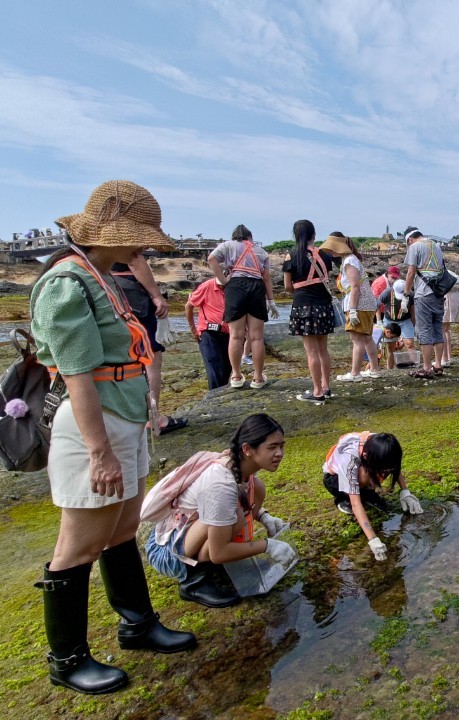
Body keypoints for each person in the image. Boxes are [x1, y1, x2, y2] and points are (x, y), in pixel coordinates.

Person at [30, 180, 196, 695]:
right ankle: (68, 658)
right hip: (92, 427)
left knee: (123, 526)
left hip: (123, 417)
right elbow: (77, 374)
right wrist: (99, 451)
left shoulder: (99, 275)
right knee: (77, 544)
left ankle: (137, 623)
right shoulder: (68, 283)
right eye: (138, 240)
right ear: (109, 234)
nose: (143, 250)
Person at [144, 414, 297, 609]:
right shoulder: (220, 484)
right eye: (272, 447)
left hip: (189, 532)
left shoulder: (240, 465)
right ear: (247, 449)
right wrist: (267, 546)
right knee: (234, 516)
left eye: (281, 446)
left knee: (257, 488)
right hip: (168, 551)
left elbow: (246, 496)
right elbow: (218, 552)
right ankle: (194, 581)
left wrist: (263, 516)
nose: (280, 453)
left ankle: (219, 566)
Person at [111, 255, 185, 435]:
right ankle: (153, 418)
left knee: (119, 355)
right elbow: (134, 260)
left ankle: (121, 416)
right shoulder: (124, 236)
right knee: (151, 357)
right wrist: (157, 295)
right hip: (132, 295)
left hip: (109, 290)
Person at [321, 432, 425, 561]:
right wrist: (373, 539)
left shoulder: (384, 444)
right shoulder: (350, 460)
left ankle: (365, 492)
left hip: (362, 470)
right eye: (383, 471)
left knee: (382, 506)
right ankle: (343, 498)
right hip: (334, 479)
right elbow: (356, 504)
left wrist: (405, 492)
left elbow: (393, 464)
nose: (386, 474)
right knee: (363, 476)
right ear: (366, 456)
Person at [208, 224, 277, 390]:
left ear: (235, 236)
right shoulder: (261, 251)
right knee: (256, 337)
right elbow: (266, 277)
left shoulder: (227, 245)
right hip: (256, 287)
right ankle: (258, 377)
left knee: (236, 336)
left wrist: (223, 280)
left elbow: (211, 259)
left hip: (236, 286)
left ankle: (236, 375)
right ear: (250, 237)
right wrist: (271, 301)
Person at [281, 219, 336, 404]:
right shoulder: (325, 256)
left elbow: (288, 286)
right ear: (313, 234)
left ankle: (317, 391)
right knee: (323, 350)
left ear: (296, 235)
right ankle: (326, 387)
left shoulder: (292, 255)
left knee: (311, 352)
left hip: (303, 305)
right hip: (324, 306)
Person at [322, 232, 379, 382]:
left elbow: (354, 287)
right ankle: (374, 369)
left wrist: (352, 310)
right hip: (367, 304)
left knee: (357, 340)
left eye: (332, 248)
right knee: (367, 338)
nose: (331, 252)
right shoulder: (352, 259)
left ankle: (355, 373)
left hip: (359, 305)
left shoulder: (349, 261)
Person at [401, 227, 448, 379]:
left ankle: (426, 368)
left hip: (423, 293)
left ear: (409, 240)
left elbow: (411, 272)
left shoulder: (414, 247)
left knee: (424, 330)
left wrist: (406, 294)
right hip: (439, 293)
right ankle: (438, 365)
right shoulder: (436, 245)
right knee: (437, 327)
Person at [185, 277, 232, 390]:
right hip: (208, 333)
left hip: (229, 334)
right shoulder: (207, 286)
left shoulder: (234, 287)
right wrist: (194, 330)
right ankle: (214, 396)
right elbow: (189, 306)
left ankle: (219, 395)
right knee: (214, 366)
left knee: (227, 367)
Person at [377, 278, 414, 347]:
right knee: (390, 347)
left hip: (405, 320)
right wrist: (379, 321)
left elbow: (413, 311)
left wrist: (414, 326)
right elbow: (377, 306)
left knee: (409, 344)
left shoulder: (411, 295)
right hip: (389, 320)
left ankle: (412, 357)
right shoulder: (386, 293)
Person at [441, 273, 459, 366]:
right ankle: (448, 357)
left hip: (446, 299)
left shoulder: (443, 275)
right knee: (446, 330)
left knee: (441, 330)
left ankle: (444, 359)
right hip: (455, 299)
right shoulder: (452, 275)